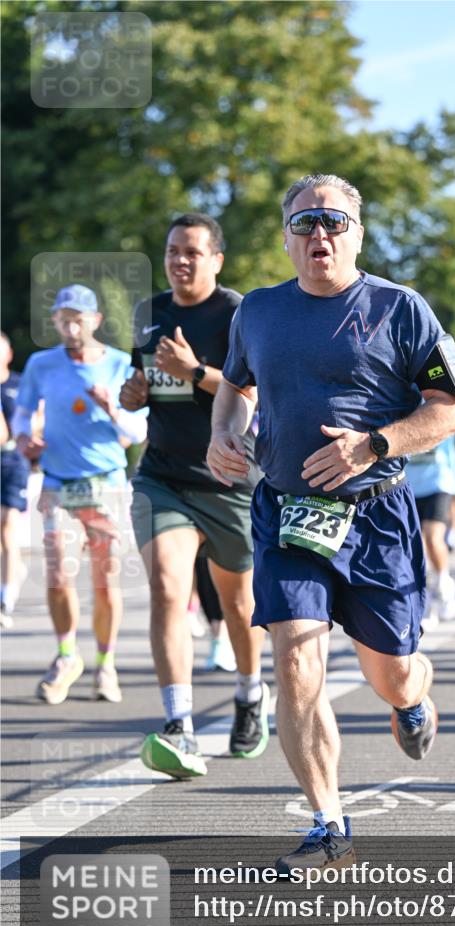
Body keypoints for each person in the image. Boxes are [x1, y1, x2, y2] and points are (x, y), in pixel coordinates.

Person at [207, 173, 455, 872]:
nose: (318, 235)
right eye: (303, 223)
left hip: (376, 517)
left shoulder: (399, 307)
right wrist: (223, 434)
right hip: (286, 513)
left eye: (332, 222)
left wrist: (376, 443)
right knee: (295, 656)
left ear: (356, 232)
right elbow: (235, 388)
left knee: (391, 675)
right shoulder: (257, 312)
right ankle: (330, 823)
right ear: (287, 237)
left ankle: (413, 695)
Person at [119, 212, 267, 779]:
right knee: (166, 588)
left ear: (217, 260)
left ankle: (251, 694)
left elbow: (250, 391)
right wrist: (134, 393)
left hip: (227, 478)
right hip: (163, 475)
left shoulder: (236, 313)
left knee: (238, 605)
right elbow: (149, 387)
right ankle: (178, 725)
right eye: (173, 251)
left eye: (193, 252)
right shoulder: (148, 312)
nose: (181, 261)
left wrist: (195, 369)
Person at [12, 284, 147, 703]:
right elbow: (21, 413)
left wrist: (111, 408)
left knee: (105, 582)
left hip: (105, 484)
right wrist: (22, 439)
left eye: (78, 318)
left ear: (95, 321)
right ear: (54, 320)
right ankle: (67, 655)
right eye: (62, 318)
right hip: (56, 484)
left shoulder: (122, 365)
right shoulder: (41, 364)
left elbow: (137, 431)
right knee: (57, 576)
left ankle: (106, 664)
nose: (70, 326)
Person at [405, 435, 455, 623]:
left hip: (439, 483)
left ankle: (444, 583)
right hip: (409, 485)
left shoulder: (440, 403)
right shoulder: (398, 406)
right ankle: (426, 602)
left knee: (433, 537)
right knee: (415, 547)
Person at [1, 332, 31, 627]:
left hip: (13, 463)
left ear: (9, 354)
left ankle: (5, 600)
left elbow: (27, 425)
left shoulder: (19, 384)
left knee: (8, 526)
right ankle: (14, 572)